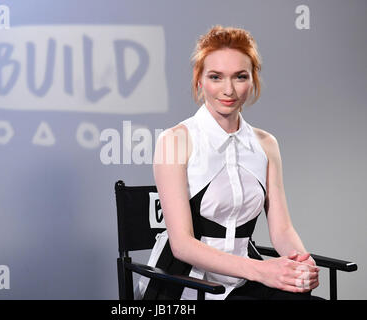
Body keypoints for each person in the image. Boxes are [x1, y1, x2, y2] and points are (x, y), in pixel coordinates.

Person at [137, 25, 320, 300]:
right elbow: (182, 246)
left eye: (240, 77)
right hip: (187, 280)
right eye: (216, 77)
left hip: (246, 278)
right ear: (199, 80)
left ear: (253, 80)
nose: (229, 89)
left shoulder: (267, 144)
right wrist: (261, 270)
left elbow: (282, 229)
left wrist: (300, 263)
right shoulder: (173, 141)